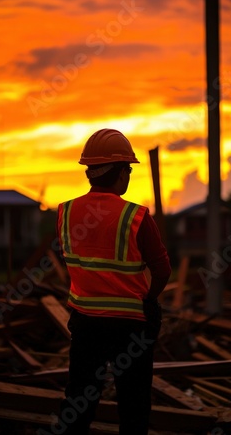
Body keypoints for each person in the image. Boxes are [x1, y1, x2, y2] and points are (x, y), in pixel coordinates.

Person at [56, 128, 171, 435]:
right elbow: (162, 270)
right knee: (133, 404)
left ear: (90, 173)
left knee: (79, 398)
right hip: (130, 325)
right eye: (129, 170)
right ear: (121, 172)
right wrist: (149, 298)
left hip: (85, 322)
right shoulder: (136, 216)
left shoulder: (66, 212)